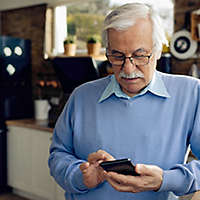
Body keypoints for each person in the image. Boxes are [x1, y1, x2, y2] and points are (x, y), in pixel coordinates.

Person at [48, 3, 200, 200]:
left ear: (158, 50)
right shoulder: (81, 96)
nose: (128, 69)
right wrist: (81, 176)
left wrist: (165, 180)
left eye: (139, 55)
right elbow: (58, 155)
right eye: (117, 56)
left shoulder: (191, 93)